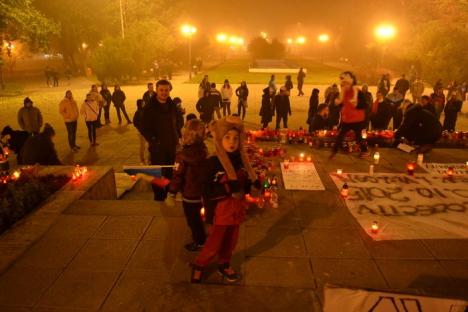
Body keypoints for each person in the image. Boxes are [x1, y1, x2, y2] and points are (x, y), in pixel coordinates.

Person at [191, 115, 257, 283]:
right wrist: (228, 189)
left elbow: (244, 180)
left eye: (236, 138)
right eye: (227, 137)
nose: (232, 142)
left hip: (236, 210)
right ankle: (200, 264)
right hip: (221, 211)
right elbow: (204, 187)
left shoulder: (240, 160)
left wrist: (251, 185)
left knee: (231, 241)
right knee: (214, 241)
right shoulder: (213, 162)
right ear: (219, 138)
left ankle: (224, 263)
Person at [168, 119, 208, 252]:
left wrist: (171, 193)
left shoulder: (182, 155)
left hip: (189, 194)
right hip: (202, 191)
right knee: (198, 217)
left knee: (192, 219)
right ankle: (202, 236)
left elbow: (177, 176)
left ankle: (200, 241)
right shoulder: (203, 149)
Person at [141, 79, 180, 201]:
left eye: (166, 90)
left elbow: (177, 121)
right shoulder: (150, 107)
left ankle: (168, 193)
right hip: (157, 147)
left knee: (169, 171)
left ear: (169, 90)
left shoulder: (172, 104)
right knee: (157, 172)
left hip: (171, 145)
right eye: (161, 90)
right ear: (156, 90)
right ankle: (158, 196)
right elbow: (143, 127)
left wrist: (177, 136)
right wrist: (153, 140)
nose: (164, 92)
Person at [330, 71, 368, 159]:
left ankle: (365, 150)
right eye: (343, 83)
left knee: (358, 136)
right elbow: (342, 102)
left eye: (346, 82)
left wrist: (356, 104)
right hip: (347, 118)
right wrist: (337, 103)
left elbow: (365, 105)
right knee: (340, 135)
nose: (344, 84)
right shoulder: (344, 91)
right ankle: (334, 151)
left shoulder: (357, 91)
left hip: (357, 119)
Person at [133, 99, 147, 164]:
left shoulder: (144, 111)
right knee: (142, 146)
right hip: (141, 132)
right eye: (143, 103)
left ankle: (144, 158)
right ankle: (142, 159)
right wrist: (140, 129)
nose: (144, 104)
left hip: (145, 131)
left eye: (144, 103)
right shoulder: (138, 112)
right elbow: (135, 122)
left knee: (145, 146)